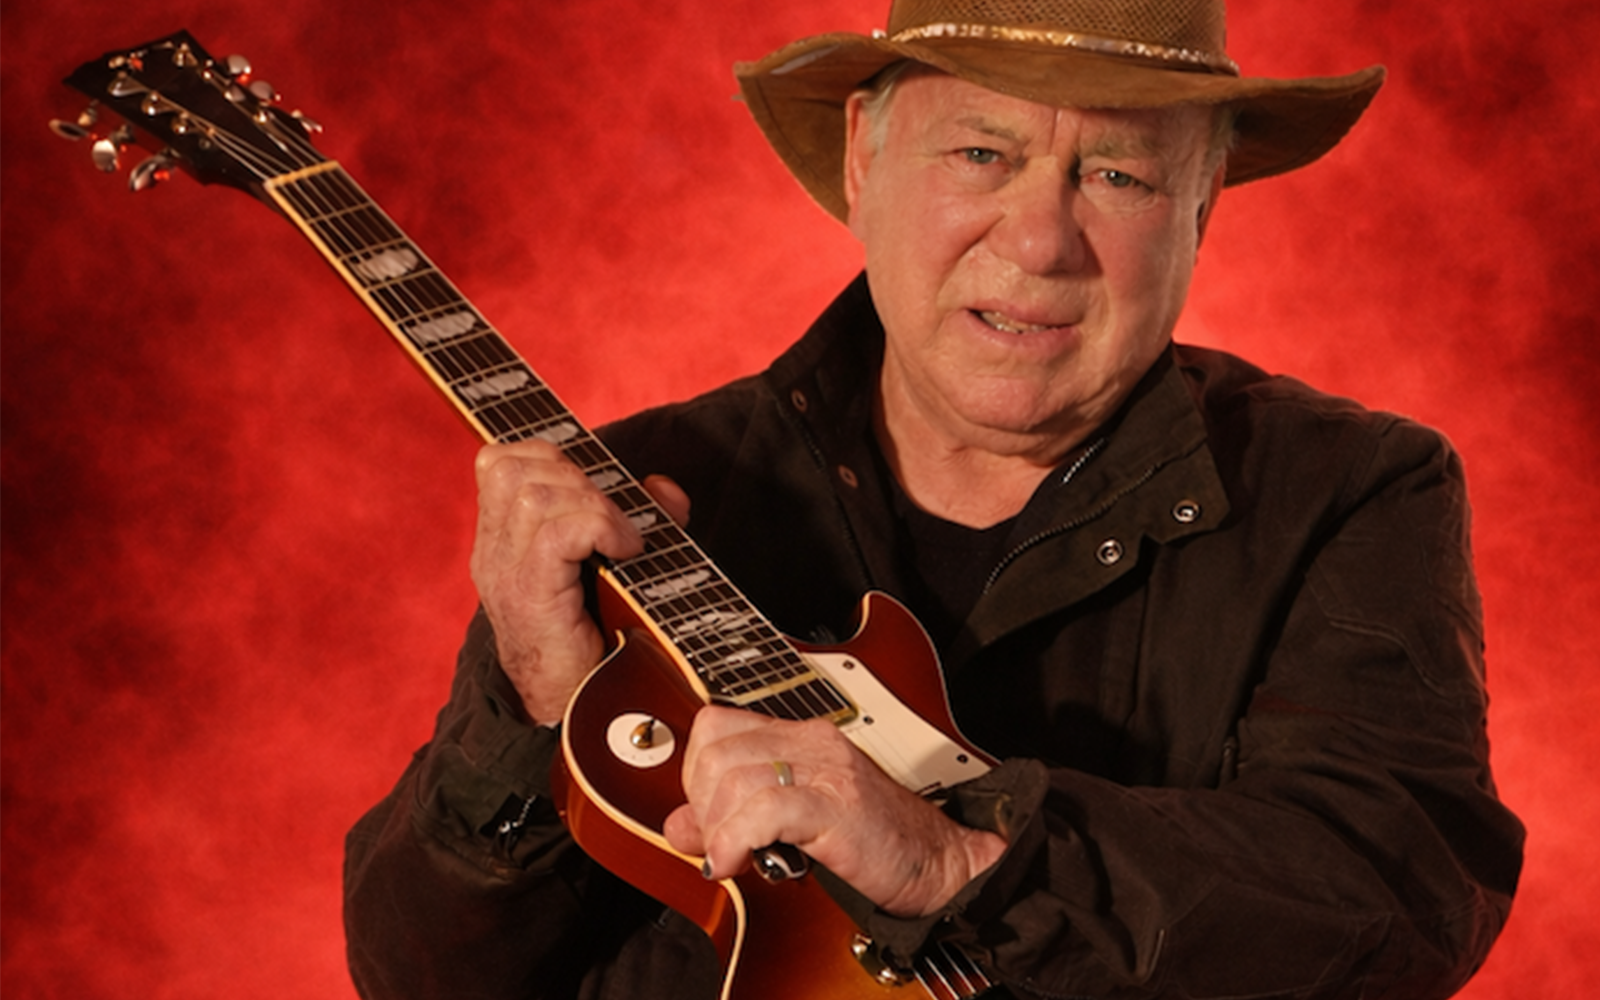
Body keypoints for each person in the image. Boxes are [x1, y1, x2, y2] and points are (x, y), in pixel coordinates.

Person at [343, 0, 1525, 997]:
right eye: (980, 154)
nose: (1040, 240)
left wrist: (958, 858)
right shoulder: (640, 489)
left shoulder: (1349, 488)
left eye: (1117, 174)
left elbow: (1396, 898)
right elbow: (418, 977)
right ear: (864, 158)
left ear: (1202, 207)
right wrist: (537, 710)